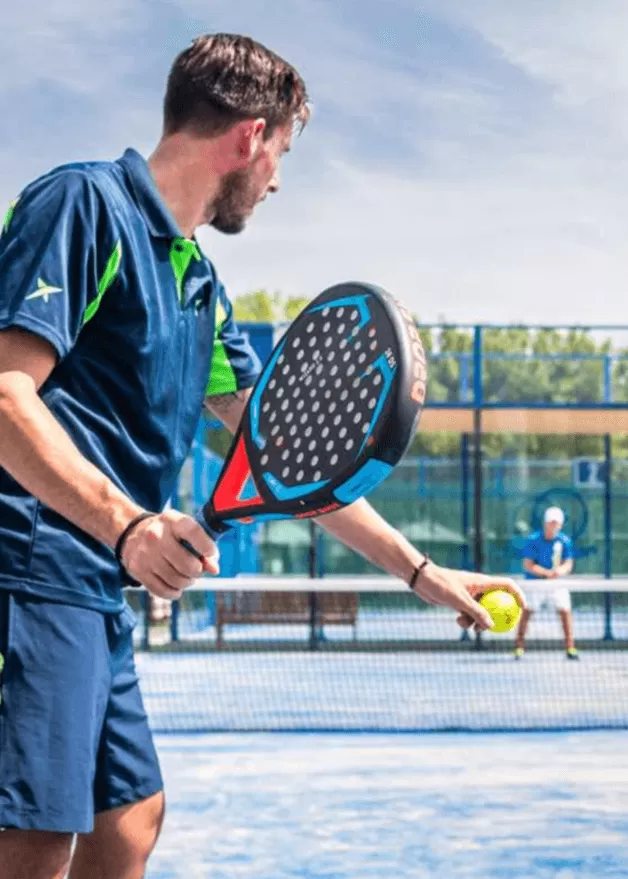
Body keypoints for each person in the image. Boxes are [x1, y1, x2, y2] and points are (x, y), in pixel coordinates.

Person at [0, 33, 525, 879]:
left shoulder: (201, 288)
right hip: (29, 564)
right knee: (31, 839)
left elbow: (294, 460)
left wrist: (424, 572)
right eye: (281, 153)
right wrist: (129, 524)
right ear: (249, 136)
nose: (277, 179)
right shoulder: (82, 204)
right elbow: (4, 394)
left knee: (130, 821)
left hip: (99, 582)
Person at [514, 506, 578, 660]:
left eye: (556, 523)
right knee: (527, 612)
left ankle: (570, 648)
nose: (553, 526)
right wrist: (545, 573)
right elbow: (528, 564)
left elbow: (568, 564)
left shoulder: (565, 541)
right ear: (545, 523)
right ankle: (519, 647)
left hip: (557, 584)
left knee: (565, 612)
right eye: (551, 522)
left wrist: (559, 572)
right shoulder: (533, 540)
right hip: (535, 583)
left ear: (561, 525)